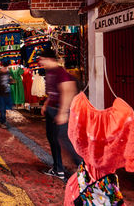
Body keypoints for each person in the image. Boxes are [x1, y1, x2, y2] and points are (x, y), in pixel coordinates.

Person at [39, 48, 82, 180]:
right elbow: (51, 92)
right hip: (52, 110)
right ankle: (58, 169)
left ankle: (84, 169)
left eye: (42, 59)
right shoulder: (49, 72)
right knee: (53, 139)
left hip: (60, 109)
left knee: (65, 140)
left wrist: (63, 112)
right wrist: (46, 105)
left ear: (50, 59)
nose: (41, 62)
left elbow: (68, 91)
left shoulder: (60, 72)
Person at [0, 61, 13, 129]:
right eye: (5, 67)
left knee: (9, 105)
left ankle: (4, 118)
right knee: (2, 108)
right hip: (1, 93)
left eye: (6, 67)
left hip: (7, 92)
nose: (6, 69)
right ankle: (3, 122)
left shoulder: (7, 72)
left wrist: (11, 81)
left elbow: (8, 80)